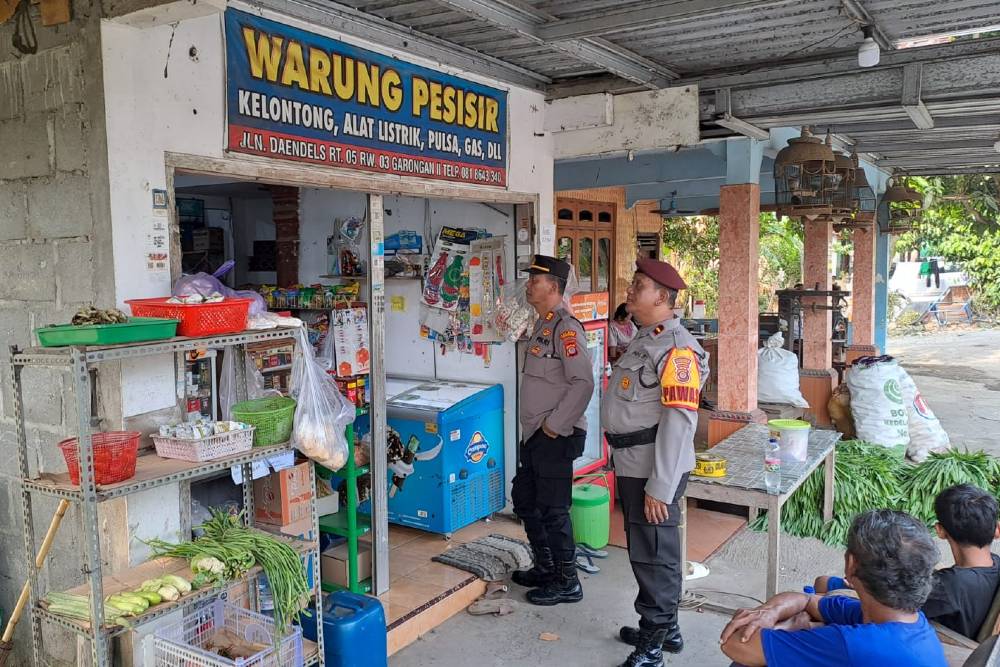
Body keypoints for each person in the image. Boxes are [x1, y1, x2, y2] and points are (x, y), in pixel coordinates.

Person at [601, 259, 709, 667]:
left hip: (653, 468)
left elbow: (680, 421)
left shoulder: (677, 349)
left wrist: (660, 485)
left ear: (662, 297)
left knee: (654, 557)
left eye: (639, 285)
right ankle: (669, 631)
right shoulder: (647, 339)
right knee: (647, 551)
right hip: (634, 462)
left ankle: (651, 647)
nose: (630, 289)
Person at [720, 509, 947, 667]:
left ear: (851, 563)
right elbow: (806, 600)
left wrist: (791, 626)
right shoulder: (906, 622)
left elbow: (734, 645)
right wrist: (768, 613)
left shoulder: (851, 644)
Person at [510, 254, 595, 606]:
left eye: (535, 279)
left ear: (554, 287)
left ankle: (567, 579)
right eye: (530, 278)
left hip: (555, 435)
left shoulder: (566, 328)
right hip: (534, 435)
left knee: (554, 509)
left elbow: (583, 383)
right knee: (526, 500)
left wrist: (553, 427)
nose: (529, 284)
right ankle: (545, 567)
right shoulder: (542, 325)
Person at [814, 483, 1000, 639]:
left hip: (920, 632)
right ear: (997, 530)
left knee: (823, 583)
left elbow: (894, 602)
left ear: (940, 531)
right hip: (935, 621)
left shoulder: (951, 585)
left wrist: (861, 585)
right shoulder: (994, 564)